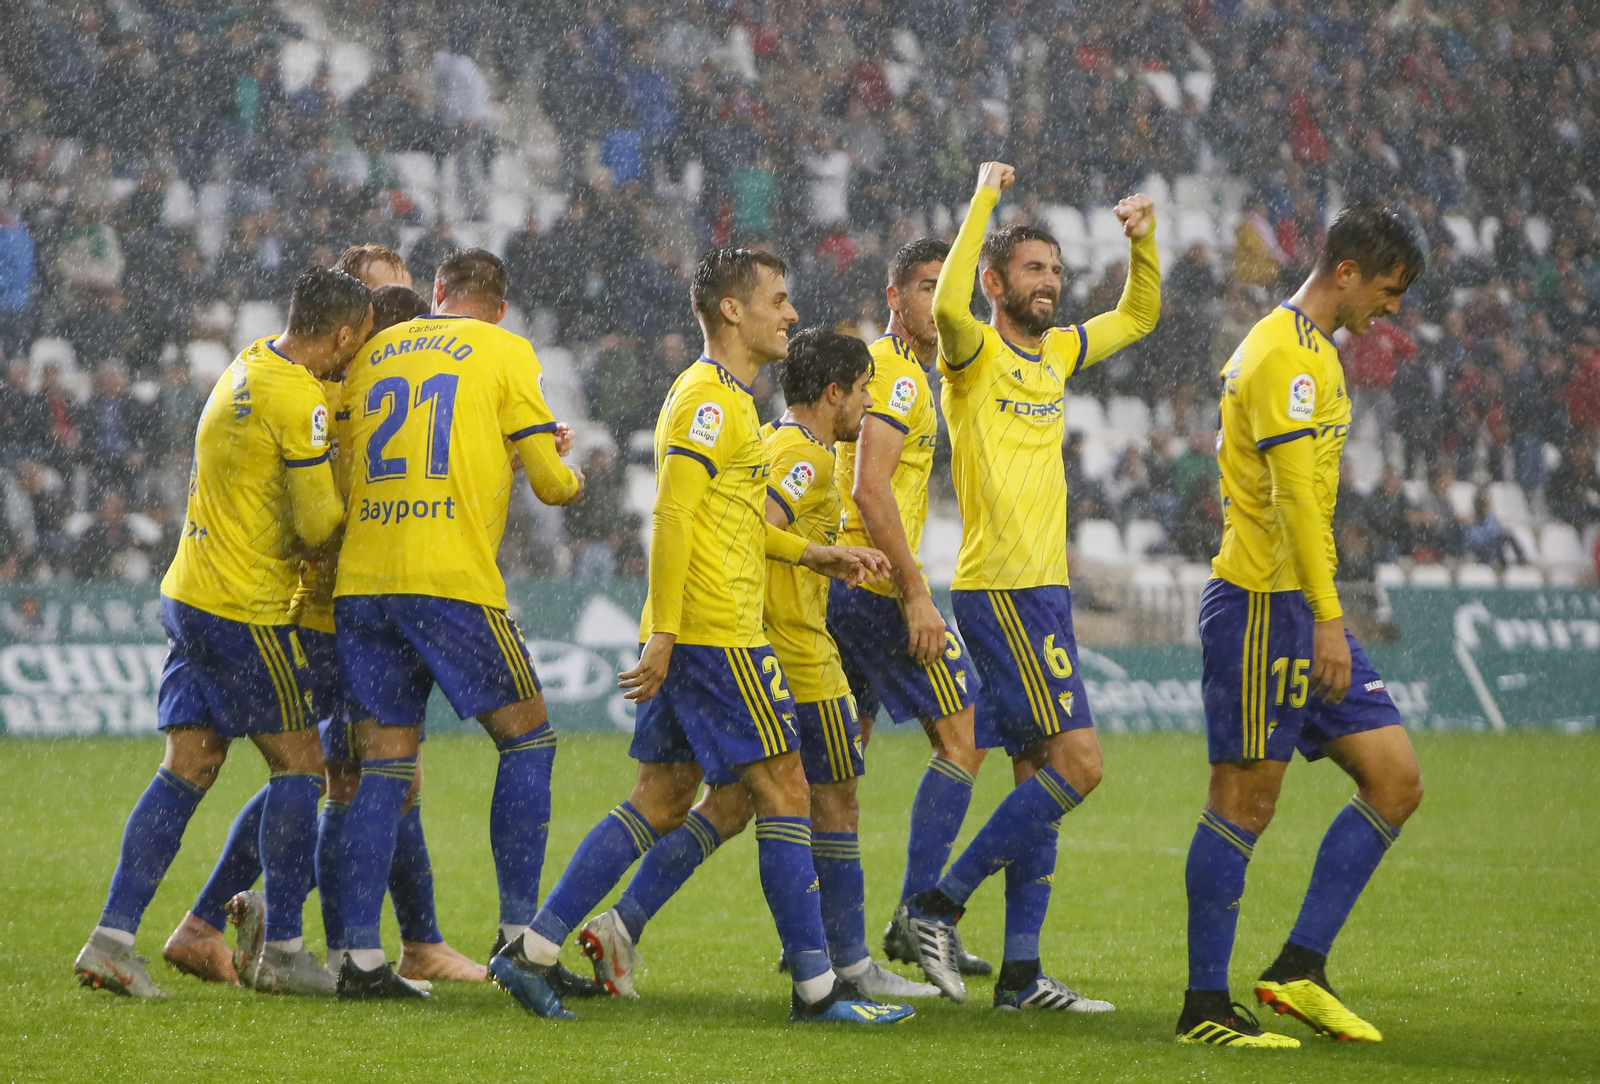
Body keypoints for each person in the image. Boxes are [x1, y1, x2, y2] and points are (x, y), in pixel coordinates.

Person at [494, 248, 907, 1025]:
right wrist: (669, 634)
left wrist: (815, 552)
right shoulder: (708, 403)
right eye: (777, 300)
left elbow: (738, 522)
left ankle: (535, 950)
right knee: (786, 788)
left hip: (694, 629)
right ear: (731, 311)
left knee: (661, 797)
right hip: (717, 631)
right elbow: (675, 514)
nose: (790, 314)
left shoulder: (731, 402)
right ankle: (819, 989)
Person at [578, 328, 936, 1001]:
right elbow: (757, 525)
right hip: (796, 657)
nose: (867, 402)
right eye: (862, 389)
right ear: (835, 393)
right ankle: (846, 965)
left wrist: (823, 558)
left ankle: (624, 923)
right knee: (834, 804)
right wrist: (811, 558)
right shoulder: (807, 459)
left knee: (735, 804)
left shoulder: (778, 443)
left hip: (761, 653)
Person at [160, 277, 491, 990]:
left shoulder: (324, 386)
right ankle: (327, 945)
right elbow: (326, 512)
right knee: (336, 773)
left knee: (335, 773)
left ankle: (289, 931)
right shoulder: (337, 396)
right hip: (331, 611)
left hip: (322, 605)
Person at [898, 161, 1159, 1012]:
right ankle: (935, 907)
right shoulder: (972, 351)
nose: (1050, 283)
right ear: (994, 283)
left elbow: (1140, 313)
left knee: (1036, 773)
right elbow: (942, 310)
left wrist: (1143, 242)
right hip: (1002, 589)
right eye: (1033, 270)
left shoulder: (1058, 354)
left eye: (1055, 270)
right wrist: (982, 197)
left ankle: (1018, 977)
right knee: (1081, 767)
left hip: (1043, 590)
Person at [72, 267, 369, 998]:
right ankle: (285, 949)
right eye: (356, 342)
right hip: (244, 606)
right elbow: (315, 524)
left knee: (191, 765)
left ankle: (111, 938)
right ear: (340, 334)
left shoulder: (249, 364)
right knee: (303, 765)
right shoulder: (298, 400)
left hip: (189, 591)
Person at [1179, 203, 1427, 1048]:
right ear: (1347, 272)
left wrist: (1324, 615)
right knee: (1244, 803)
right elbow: (1289, 504)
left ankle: (1297, 969)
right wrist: (1328, 619)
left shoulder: (1316, 354)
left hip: (1305, 605)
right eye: (1388, 291)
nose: (1389, 309)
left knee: (1395, 780)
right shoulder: (1283, 354)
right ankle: (1203, 1007)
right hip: (1262, 606)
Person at [330, 249, 586, 1000]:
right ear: (499, 307)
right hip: (449, 581)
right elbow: (550, 482)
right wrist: (567, 470)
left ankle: (359, 958)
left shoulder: (376, 350)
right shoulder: (506, 350)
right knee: (529, 736)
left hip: (363, 581)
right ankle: (516, 938)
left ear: (436, 294)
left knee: (382, 766)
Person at [827, 238, 991, 978]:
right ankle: (920, 914)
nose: (937, 299)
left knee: (831, 782)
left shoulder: (895, 373)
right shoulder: (895, 375)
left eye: (946, 287)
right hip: (875, 589)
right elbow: (870, 488)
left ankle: (834, 949)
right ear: (895, 298)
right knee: (965, 735)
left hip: (843, 586)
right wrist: (917, 593)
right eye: (925, 286)